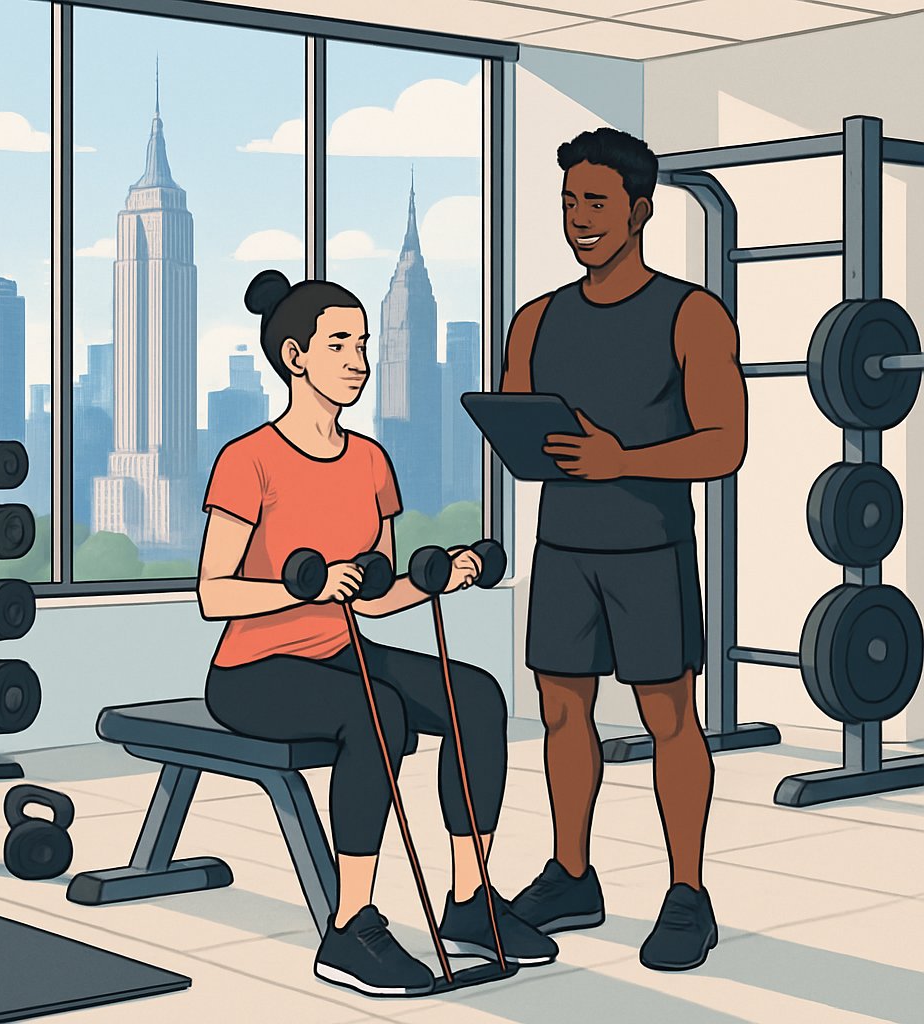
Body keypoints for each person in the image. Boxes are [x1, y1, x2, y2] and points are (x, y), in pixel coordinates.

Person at [197, 270, 557, 998]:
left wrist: (437, 577)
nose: (359, 359)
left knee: (477, 696)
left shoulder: (370, 463)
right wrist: (304, 585)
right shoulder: (249, 459)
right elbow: (213, 594)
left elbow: (376, 596)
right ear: (295, 356)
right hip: (253, 669)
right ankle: (349, 925)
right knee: (378, 715)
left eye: (363, 344)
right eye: (340, 344)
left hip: (339, 647)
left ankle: (469, 899)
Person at [502, 127, 747, 972]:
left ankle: (689, 895)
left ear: (640, 211)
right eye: (568, 203)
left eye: (596, 203)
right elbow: (519, 425)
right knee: (562, 712)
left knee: (667, 717)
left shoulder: (691, 313)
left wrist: (624, 460)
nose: (579, 220)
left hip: (649, 547)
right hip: (564, 548)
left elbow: (725, 445)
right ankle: (573, 874)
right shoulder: (535, 318)